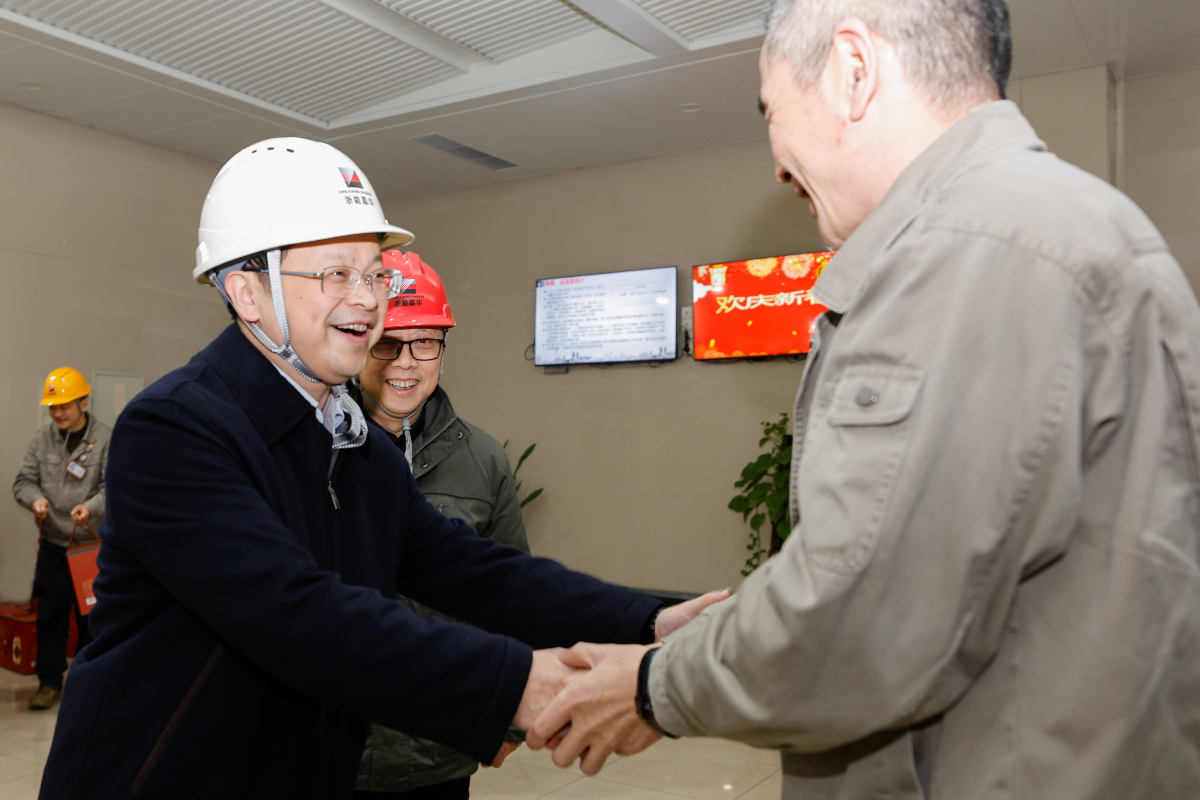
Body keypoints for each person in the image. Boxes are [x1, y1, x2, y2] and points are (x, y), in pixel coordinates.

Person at [526, 1, 1200, 798]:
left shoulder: (967, 251)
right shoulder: (1046, 222)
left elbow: (856, 625)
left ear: (853, 71)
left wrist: (650, 686)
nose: (777, 166)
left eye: (771, 111)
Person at [37, 139, 726, 799]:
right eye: (336, 273)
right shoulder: (176, 428)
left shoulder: (353, 443)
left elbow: (472, 570)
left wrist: (647, 621)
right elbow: (296, 614)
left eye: (374, 274)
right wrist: (521, 683)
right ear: (247, 293)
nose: (367, 300)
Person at [351, 251, 531, 798]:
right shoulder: (304, 448)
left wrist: (509, 721)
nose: (405, 363)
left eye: (425, 342)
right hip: (327, 747)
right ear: (356, 345)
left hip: (436, 747)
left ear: (443, 351)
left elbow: (511, 597)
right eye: (386, 343)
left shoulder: (483, 459)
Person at [12, 367, 110, 710]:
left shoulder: (105, 438)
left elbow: (112, 486)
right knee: (50, 615)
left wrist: (90, 508)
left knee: (92, 618)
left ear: (84, 402)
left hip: (91, 548)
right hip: (54, 545)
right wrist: (34, 499)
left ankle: (87, 683)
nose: (57, 413)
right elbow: (23, 482)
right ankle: (49, 683)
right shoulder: (41, 439)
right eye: (53, 407)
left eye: (64, 406)